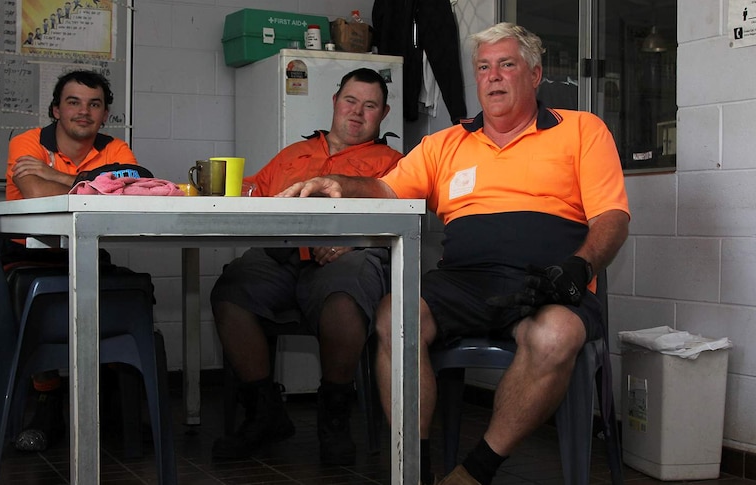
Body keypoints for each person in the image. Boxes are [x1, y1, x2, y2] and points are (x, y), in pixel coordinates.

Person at [278, 23, 630, 485]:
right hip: (464, 280)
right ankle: (416, 470)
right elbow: (387, 188)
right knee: (393, 316)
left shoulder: (582, 130)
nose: (494, 77)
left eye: (507, 65)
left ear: (535, 74)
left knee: (555, 336)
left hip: (548, 280)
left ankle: (474, 472)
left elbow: (612, 218)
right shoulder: (446, 144)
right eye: (484, 67)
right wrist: (342, 185)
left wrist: (579, 266)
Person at [209, 68, 403, 465]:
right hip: (281, 255)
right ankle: (265, 412)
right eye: (350, 101)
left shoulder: (393, 162)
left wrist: (352, 242)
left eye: (370, 106)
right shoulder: (292, 154)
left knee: (344, 299)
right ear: (334, 102)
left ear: (383, 114)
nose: (357, 112)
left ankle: (334, 417)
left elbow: (406, 220)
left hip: (347, 258)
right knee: (231, 291)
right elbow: (251, 191)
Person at [4, 69, 138, 451]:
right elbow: (33, 191)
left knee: (135, 289)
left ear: (105, 114)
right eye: (73, 102)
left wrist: (54, 175)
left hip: (90, 250)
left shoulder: (116, 148)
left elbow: (136, 190)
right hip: (30, 254)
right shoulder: (28, 141)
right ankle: (45, 397)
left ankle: (112, 400)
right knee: (35, 305)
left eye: (94, 104)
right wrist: (99, 183)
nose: (84, 111)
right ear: (56, 110)